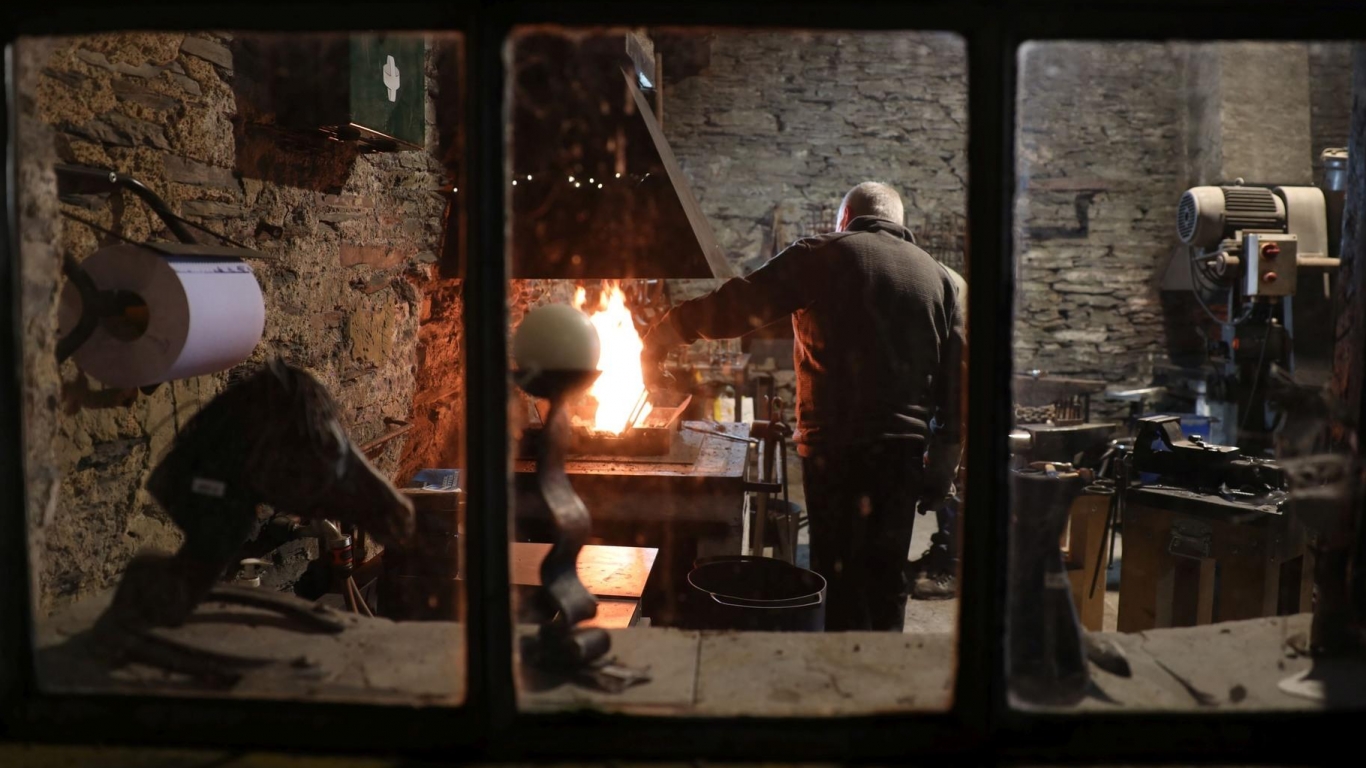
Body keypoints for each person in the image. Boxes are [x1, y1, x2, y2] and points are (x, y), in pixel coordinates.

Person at [642, 182, 965, 631]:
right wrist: (944, 465)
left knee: (838, 572)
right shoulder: (940, 278)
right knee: (885, 574)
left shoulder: (822, 253)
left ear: (846, 218)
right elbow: (956, 384)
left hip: (836, 449)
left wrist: (666, 329)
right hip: (902, 453)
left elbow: (738, 305)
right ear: (899, 223)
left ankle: (834, 675)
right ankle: (887, 674)